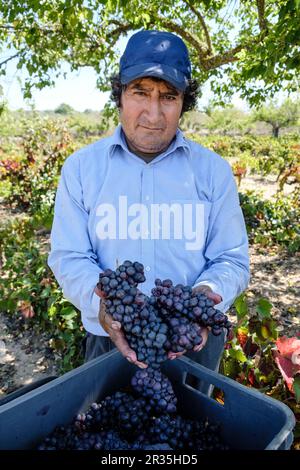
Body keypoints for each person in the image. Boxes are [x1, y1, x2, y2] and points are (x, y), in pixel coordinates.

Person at [48, 30, 250, 388]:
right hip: (111, 337)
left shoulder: (213, 172)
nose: (153, 113)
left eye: (168, 97)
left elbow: (231, 259)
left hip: (192, 343)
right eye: (140, 92)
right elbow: (69, 256)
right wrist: (104, 306)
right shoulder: (81, 170)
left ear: (183, 103)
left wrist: (204, 298)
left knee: (191, 432)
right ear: (120, 96)